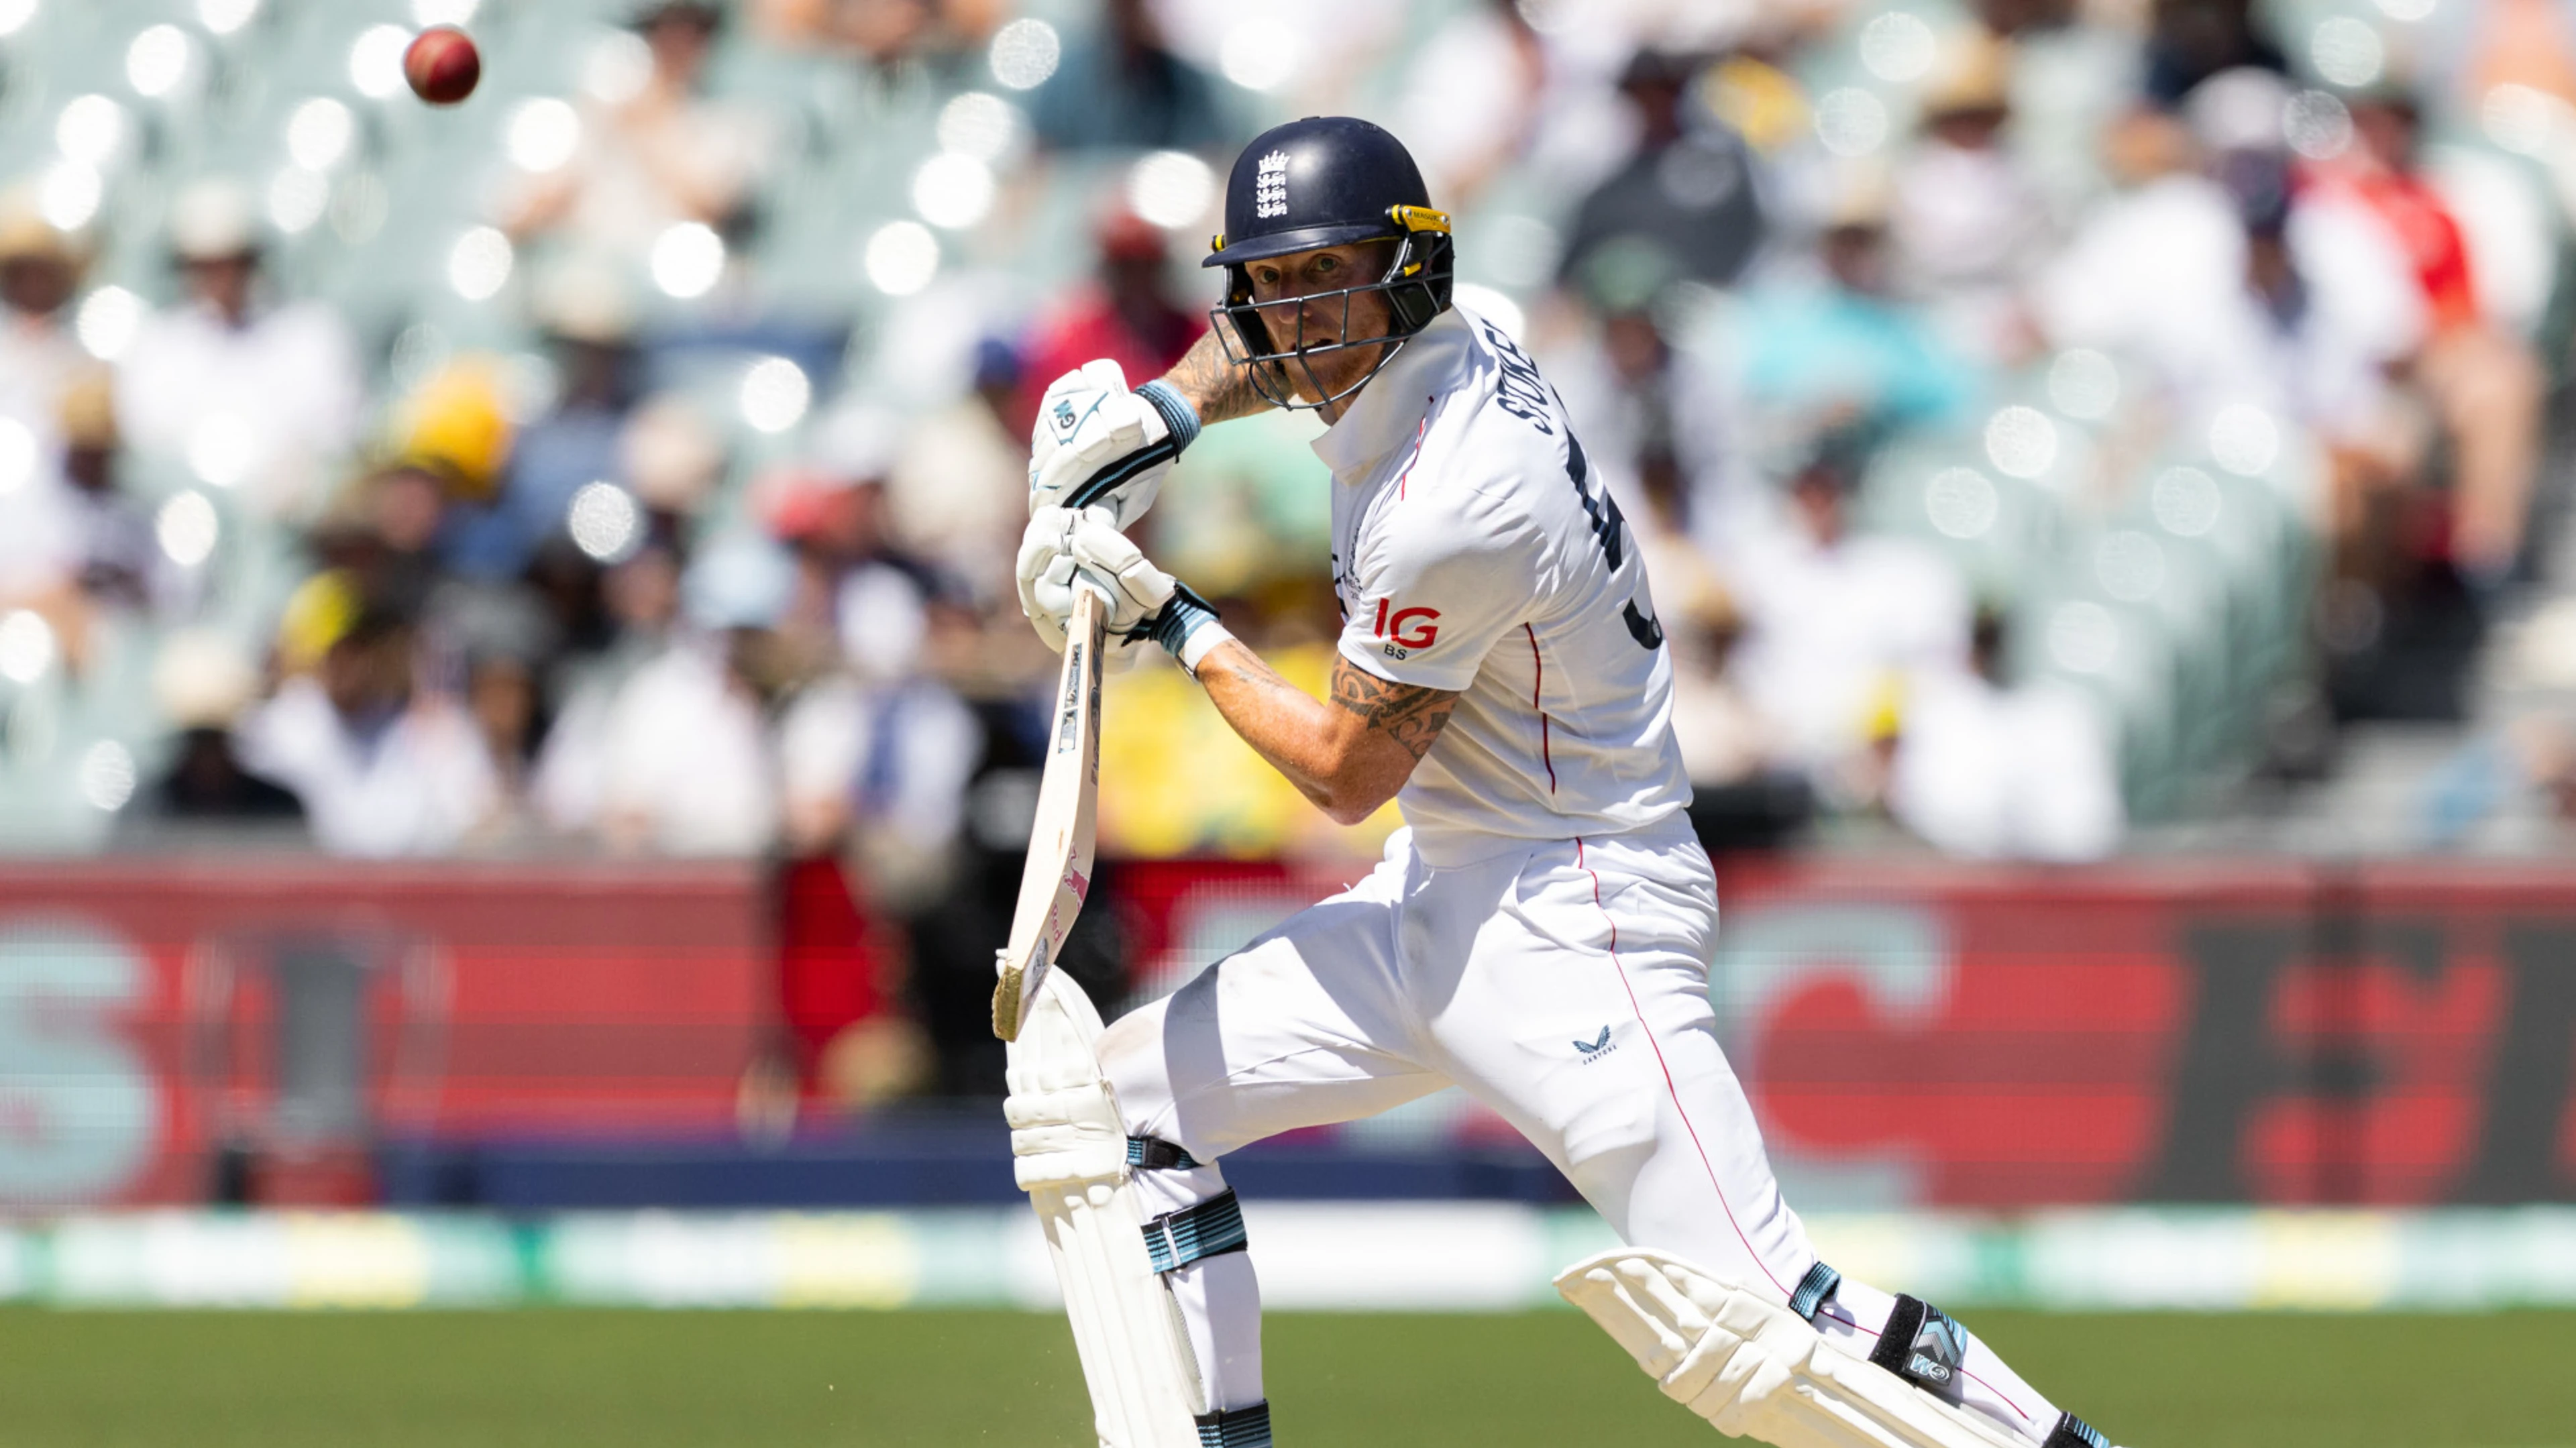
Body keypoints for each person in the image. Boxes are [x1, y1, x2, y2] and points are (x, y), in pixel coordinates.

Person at [1008, 117, 2121, 1448]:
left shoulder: (1457, 498)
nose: (1297, 324)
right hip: (1440, 888)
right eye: (1273, 283)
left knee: (1767, 1327)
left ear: (1405, 274)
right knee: (1122, 1103)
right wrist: (1159, 417)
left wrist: (1170, 620)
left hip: (1574, 914)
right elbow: (1261, 347)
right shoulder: (1462, 323)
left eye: (1328, 282)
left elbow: (1344, 772)